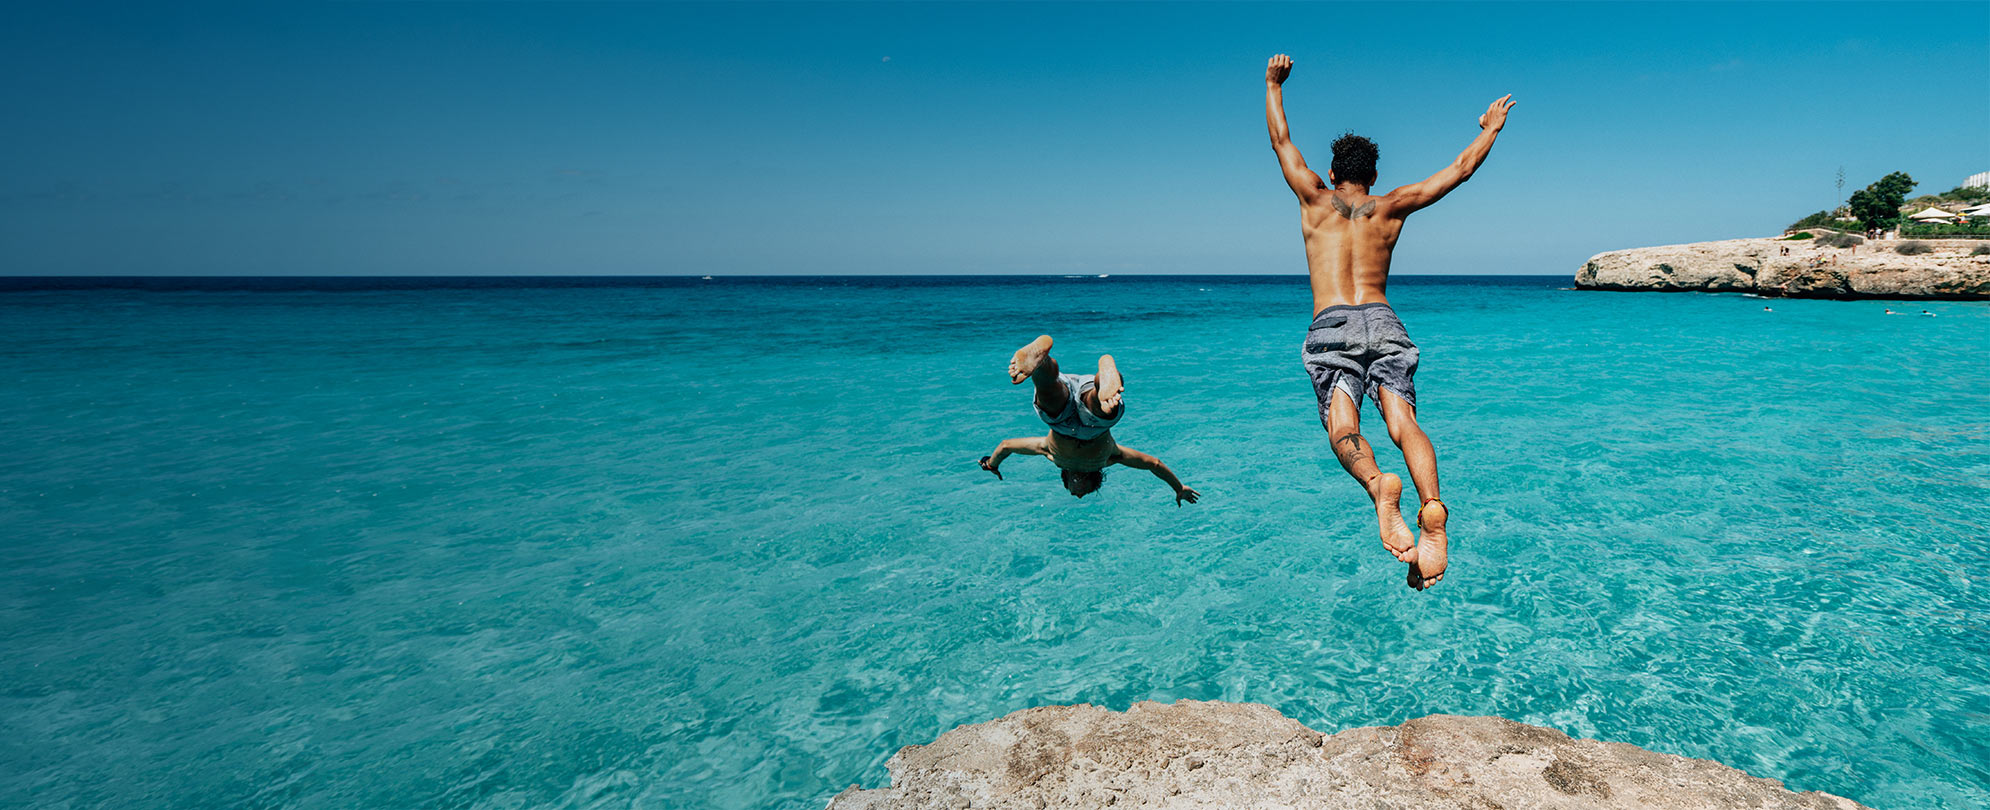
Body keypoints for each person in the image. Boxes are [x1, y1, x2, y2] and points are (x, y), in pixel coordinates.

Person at [1264, 53, 1513, 590]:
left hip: (1332, 324)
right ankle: (1434, 507)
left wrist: (1273, 85)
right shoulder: (1393, 205)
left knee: (1344, 430)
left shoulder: (1312, 195)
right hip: (1385, 320)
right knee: (1405, 426)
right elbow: (1458, 171)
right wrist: (1490, 130)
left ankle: (1379, 486)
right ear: (1373, 177)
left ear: (1333, 173)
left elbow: (1281, 142)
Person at [979, 335, 1201, 506]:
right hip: (1096, 424)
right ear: (1095, 482)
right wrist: (1178, 487)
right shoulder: (1110, 457)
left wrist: (992, 464)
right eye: (1083, 493)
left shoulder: (1050, 454)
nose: (1078, 496)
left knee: (1048, 392)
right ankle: (1102, 377)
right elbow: (1153, 464)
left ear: (1066, 479)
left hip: (1060, 423)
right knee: (1103, 408)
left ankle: (1041, 365)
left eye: (1072, 492)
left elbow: (1007, 446)